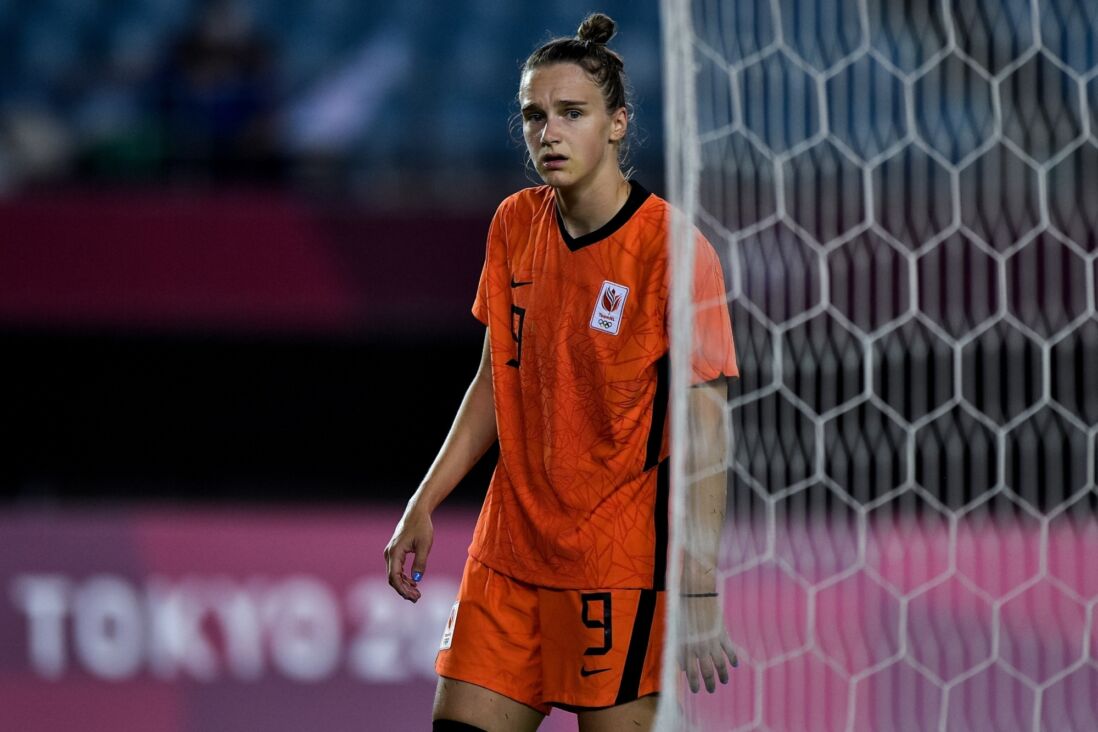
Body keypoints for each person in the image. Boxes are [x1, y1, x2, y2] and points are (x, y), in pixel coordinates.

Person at [384, 13, 739, 731]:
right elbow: (494, 381)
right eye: (533, 116)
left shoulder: (672, 250)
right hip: (507, 555)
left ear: (616, 124)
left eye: (571, 113)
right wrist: (425, 500)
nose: (548, 132)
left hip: (616, 570)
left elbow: (707, 430)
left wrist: (696, 586)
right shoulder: (514, 224)